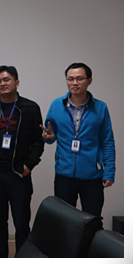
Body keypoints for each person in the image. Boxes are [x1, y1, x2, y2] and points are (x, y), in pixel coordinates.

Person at [0, 66, 44, 257]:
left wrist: (29, 165)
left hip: (18, 174)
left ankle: (22, 260)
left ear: (17, 82)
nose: (2, 84)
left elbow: (38, 142)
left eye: (6, 80)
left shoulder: (30, 108)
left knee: (21, 224)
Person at [41, 63, 115, 217]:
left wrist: (109, 172)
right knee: (64, 220)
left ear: (89, 80)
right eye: (70, 79)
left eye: (80, 78)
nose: (74, 83)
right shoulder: (56, 105)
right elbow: (50, 134)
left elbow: (107, 141)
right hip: (64, 175)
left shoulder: (101, 107)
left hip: (92, 176)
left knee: (92, 220)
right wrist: (48, 137)